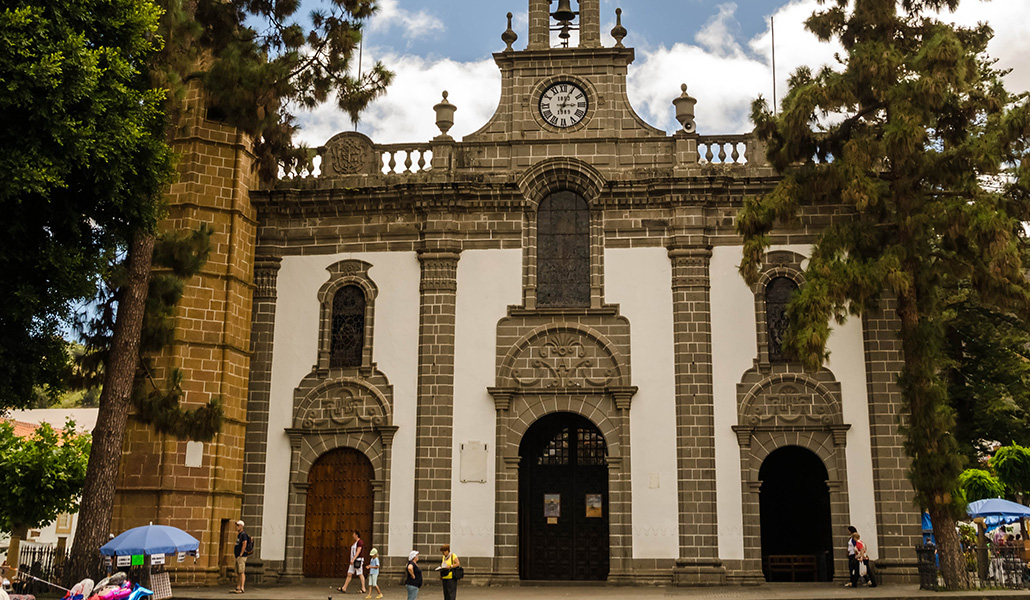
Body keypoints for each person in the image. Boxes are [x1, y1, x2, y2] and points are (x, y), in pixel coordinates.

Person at [231, 520, 253, 593]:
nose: (237, 527)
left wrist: (241, 553)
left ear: (241, 526)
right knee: (238, 571)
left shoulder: (243, 534)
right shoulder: (239, 534)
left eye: (238, 525)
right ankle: (238, 587)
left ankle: (242, 588)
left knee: (241, 571)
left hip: (242, 556)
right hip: (238, 556)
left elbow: (244, 544)